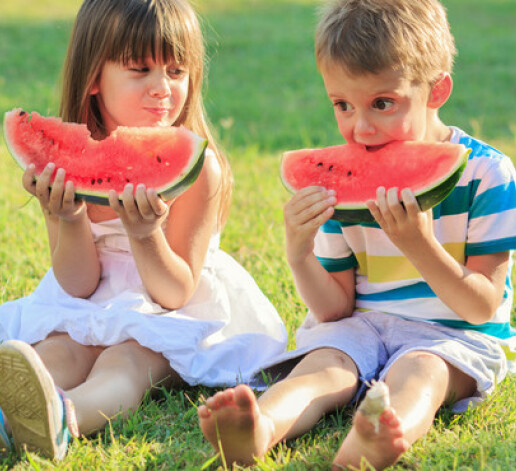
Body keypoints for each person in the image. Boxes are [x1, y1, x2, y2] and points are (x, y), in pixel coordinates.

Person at [0, 0, 287, 461]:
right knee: (57, 353)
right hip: (89, 303)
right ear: (94, 78)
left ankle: (65, 419)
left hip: (168, 314)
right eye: (140, 69)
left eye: (176, 71)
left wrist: (145, 233)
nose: (162, 89)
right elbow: (78, 284)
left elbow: (175, 292)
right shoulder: (65, 167)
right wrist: (67, 219)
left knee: (124, 363)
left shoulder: (199, 170)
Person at [198, 0, 516, 469]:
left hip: (454, 336)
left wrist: (419, 245)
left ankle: (375, 439)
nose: (361, 128)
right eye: (342, 105)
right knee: (321, 368)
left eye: (383, 104)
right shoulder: (337, 184)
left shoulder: (489, 174)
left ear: (436, 90)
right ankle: (259, 427)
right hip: (360, 325)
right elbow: (334, 307)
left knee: (421, 375)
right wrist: (299, 252)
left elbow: (480, 306)